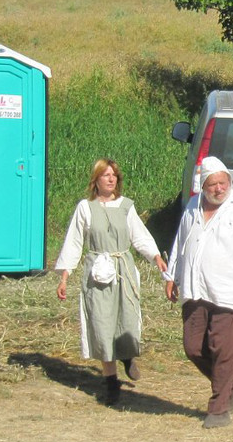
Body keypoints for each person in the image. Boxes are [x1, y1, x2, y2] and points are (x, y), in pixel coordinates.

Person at [164, 157, 233, 429]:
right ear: (203, 186)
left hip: (230, 292)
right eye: (213, 184)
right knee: (193, 347)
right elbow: (180, 243)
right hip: (196, 289)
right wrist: (172, 277)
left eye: (223, 182)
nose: (219, 189)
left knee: (223, 351)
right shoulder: (193, 206)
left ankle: (218, 410)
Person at [55, 158, 166, 406]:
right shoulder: (85, 208)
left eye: (114, 175)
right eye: (106, 175)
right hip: (97, 272)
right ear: (96, 180)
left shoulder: (126, 206)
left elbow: (139, 236)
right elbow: (74, 243)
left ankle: (127, 356)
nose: (111, 178)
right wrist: (64, 277)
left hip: (122, 269)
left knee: (126, 318)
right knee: (102, 324)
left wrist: (155, 257)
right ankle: (111, 383)